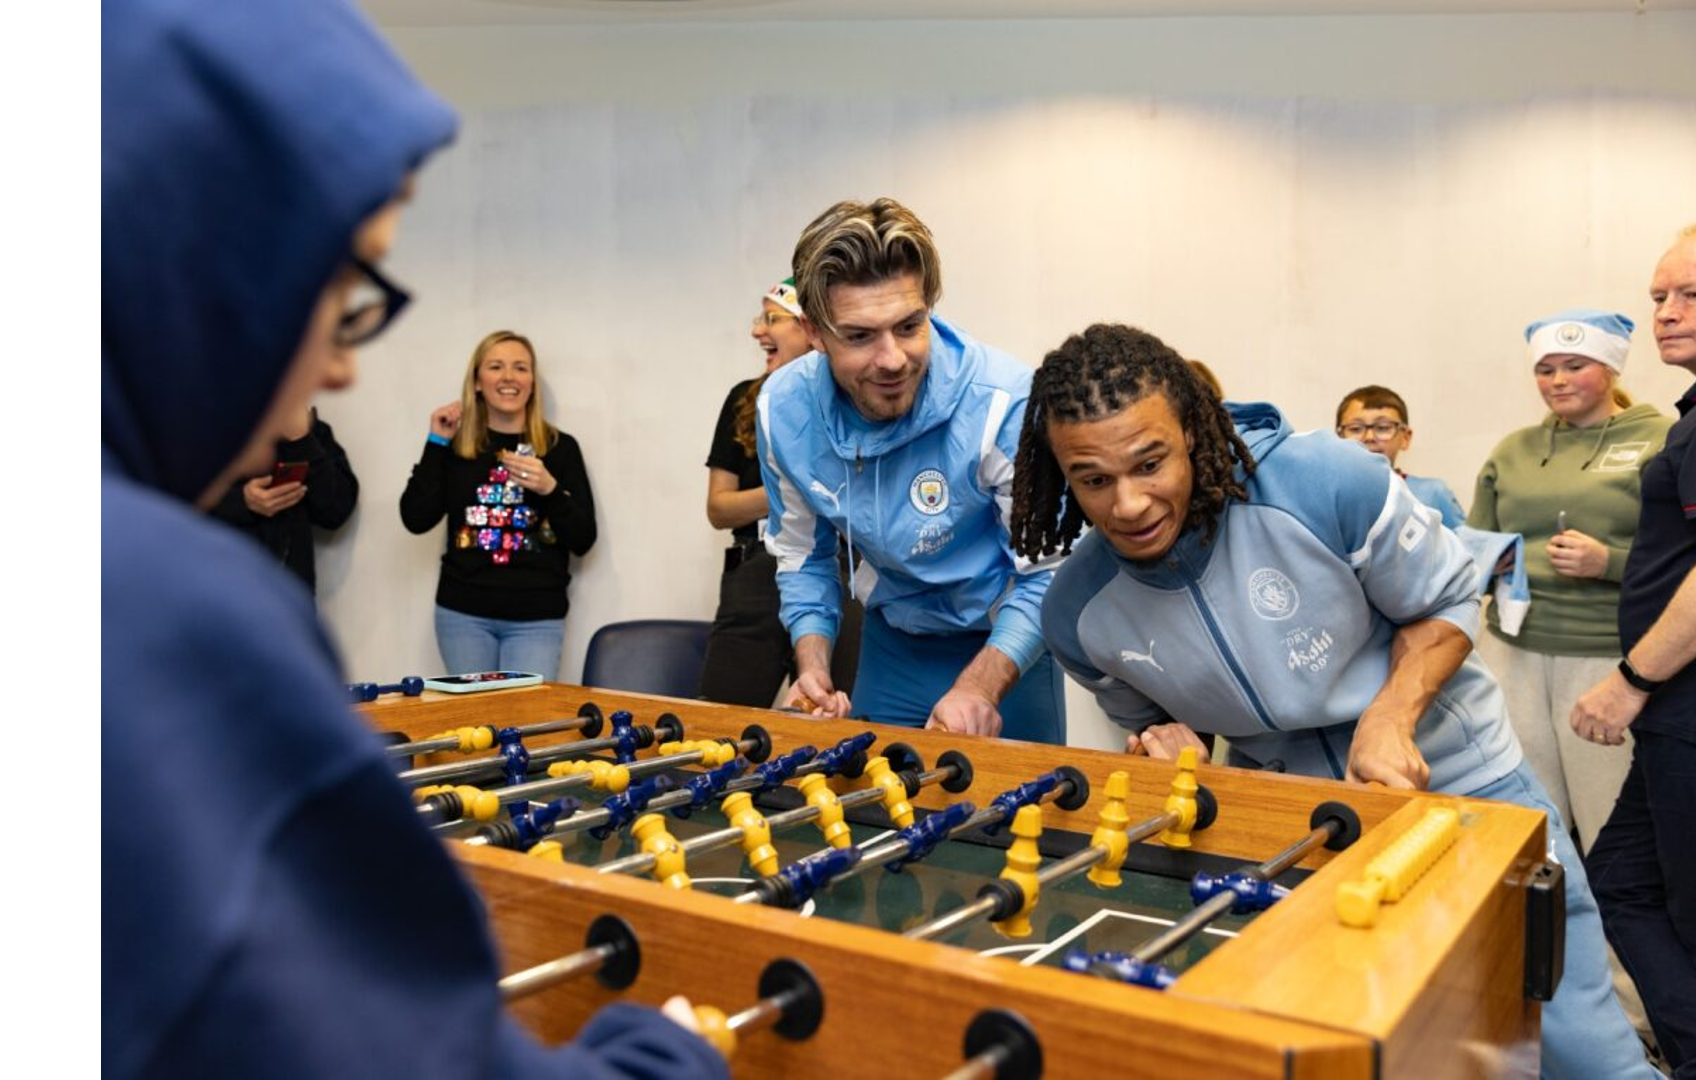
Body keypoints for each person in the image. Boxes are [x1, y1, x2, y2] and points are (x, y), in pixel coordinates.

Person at [100, 1, 723, 1076]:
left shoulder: (558, 449)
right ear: (205, 257)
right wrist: (658, 1058)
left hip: (534, 617)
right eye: (339, 291)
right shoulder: (169, 601)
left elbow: (577, 534)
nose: (341, 364)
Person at [1013, 323, 1655, 1080]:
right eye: (1093, 480)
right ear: (1061, 476)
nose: (1128, 504)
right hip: (1295, 840)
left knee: (1585, 1059)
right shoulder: (1076, 613)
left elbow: (1450, 599)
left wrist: (1391, 713)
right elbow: (1148, 718)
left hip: (1465, 798)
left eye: (1150, 463)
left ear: (1192, 430)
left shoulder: (1325, 480)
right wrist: (1165, 746)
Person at [757, 198, 1065, 741]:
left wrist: (980, 689)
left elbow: (1046, 574)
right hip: (893, 644)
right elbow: (803, 556)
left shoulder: (1003, 403)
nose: (893, 359)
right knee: (875, 813)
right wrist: (812, 666)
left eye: (909, 326)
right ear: (814, 332)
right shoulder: (783, 410)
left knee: (1016, 819)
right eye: (859, 336)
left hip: (1005, 644)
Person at [1570, 224, 1696, 1080]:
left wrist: (1630, 681)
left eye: (1692, 295)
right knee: (1621, 883)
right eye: (1659, 296)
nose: (1666, 313)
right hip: (1685, 718)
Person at [1465, 310, 1672, 848]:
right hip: (1513, 651)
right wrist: (1490, 559)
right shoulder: (1513, 451)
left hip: (1606, 658)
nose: (1557, 381)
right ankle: (1535, 931)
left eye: (1574, 366)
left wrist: (1609, 563)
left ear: (1610, 368)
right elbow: (1471, 545)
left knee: (1610, 823)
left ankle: (1611, 935)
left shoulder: (1661, 441)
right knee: (1519, 819)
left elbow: (1691, 564)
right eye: (1546, 369)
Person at [401, 330, 597, 681]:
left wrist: (549, 488)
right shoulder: (455, 446)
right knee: (473, 728)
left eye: (520, 368)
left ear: (532, 382)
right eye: (496, 366)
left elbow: (583, 538)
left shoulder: (560, 448)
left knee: (526, 727)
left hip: (537, 617)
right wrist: (436, 442)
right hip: (463, 615)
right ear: (477, 381)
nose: (508, 377)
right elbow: (415, 518)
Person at [698, 279, 859, 705]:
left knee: (835, 720)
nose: (757, 331)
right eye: (760, 318)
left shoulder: (859, 400)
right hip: (756, 574)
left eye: (773, 319)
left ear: (810, 328)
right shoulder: (747, 399)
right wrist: (798, 492)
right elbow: (719, 508)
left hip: (845, 574)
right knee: (725, 721)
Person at [209, 406, 359, 594]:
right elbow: (170, 505)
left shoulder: (305, 426)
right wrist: (241, 501)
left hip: (287, 596)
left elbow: (336, 511)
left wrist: (301, 439)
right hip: (215, 593)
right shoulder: (189, 422)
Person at [1333, 385, 1465, 528]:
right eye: (1356, 429)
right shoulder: (1329, 498)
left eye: (1383, 427)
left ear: (1405, 438)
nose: (1369, 437)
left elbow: (1467, 545)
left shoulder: (1434, 493)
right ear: (1338, 438)